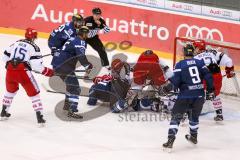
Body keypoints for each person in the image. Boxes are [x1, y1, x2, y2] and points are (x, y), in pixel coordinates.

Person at [162, 44, 215, 151]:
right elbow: (208, 76)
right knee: (194, 117)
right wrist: (211, 90)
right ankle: (194, 137)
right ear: (193, 52)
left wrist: (168, 80)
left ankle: (170, 140)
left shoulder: (180, 64)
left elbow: (176, 82)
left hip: (185, 96)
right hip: (199, 95)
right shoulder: (200, 62)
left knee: (176, 117)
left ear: (184, 53)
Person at [1, 28, 54, 126]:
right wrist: (49, 72)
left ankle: (3, 113)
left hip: (10, 71)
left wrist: (13, 65)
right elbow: (37, 66)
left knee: (10, 91)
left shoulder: (16, 43)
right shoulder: (35, 47)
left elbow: (4, 56)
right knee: (34, 94)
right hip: (23, 73)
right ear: (34, 37)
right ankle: (40, 119)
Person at [51, 26, 93, 119]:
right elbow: (81, 56)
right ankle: (71, 110)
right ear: (83, 34)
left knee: (71, 86)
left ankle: (67, 107)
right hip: (64, 67)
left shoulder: (72, 38)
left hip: (57, 64)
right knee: (75, 88)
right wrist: (87, 66)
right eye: (87, 33)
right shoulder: (80, 41)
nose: (87, 35)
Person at [193, 39, 235, 121]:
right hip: (217, 75)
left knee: (197, 92)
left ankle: (192, 112)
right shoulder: (213, 52)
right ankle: (219, 114)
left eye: (195, 47)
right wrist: (229, 71)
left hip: (206, 77)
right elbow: (229, 61)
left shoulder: (195, 58)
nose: (194, 49)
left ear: (198, 49)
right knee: (215, 95)